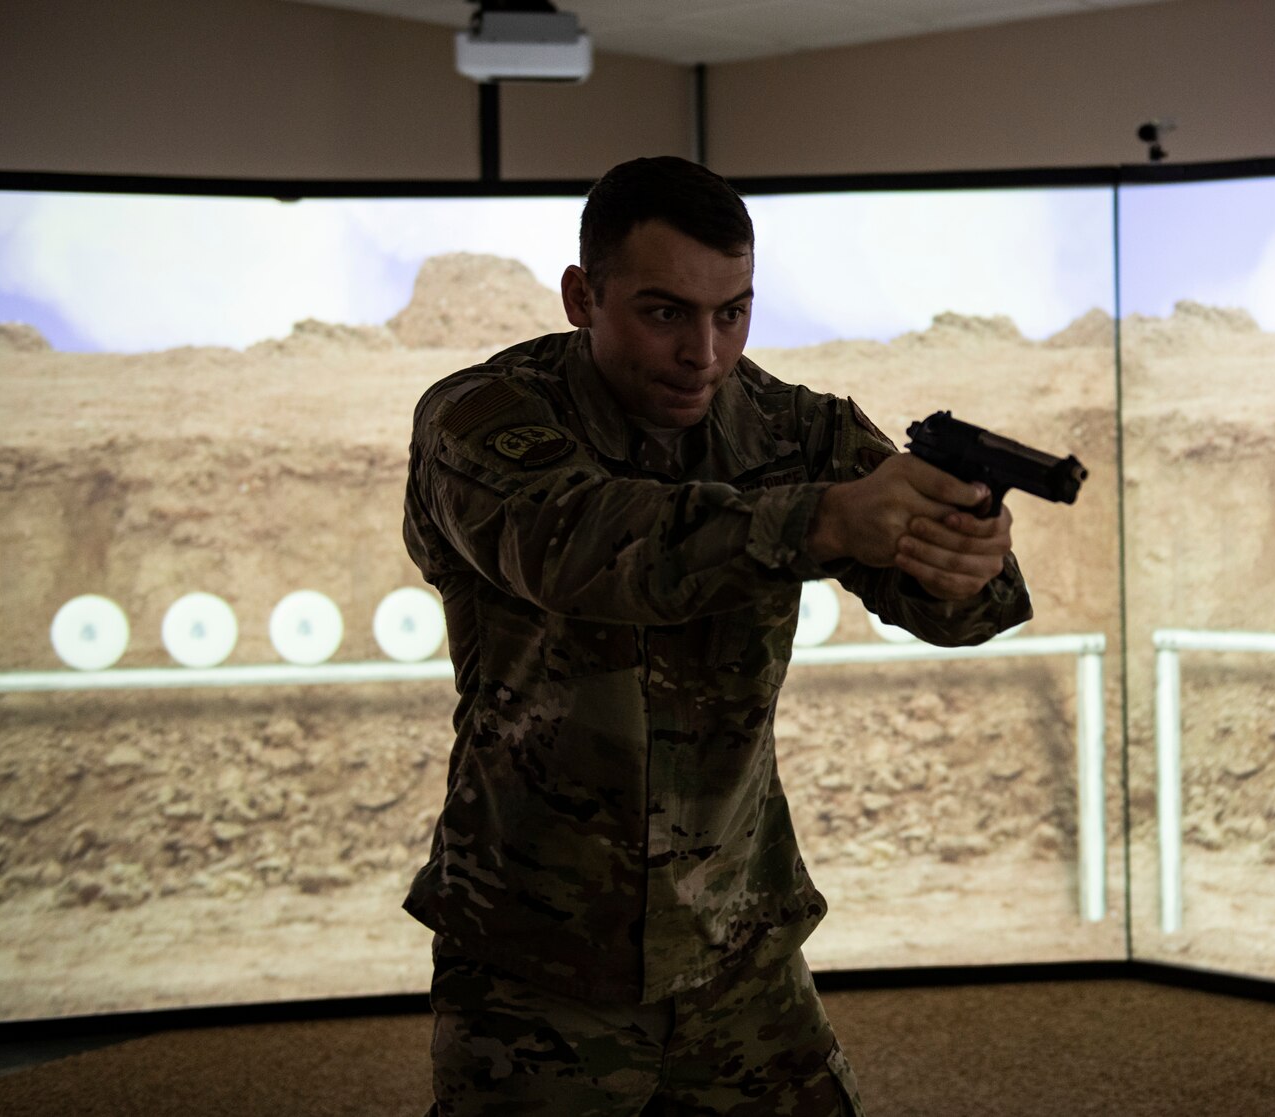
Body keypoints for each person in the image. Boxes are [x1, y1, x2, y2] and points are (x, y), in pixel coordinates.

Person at [401, 155, 1031, 1116]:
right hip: (539, 952)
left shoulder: (792, 427)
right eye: (665, 313)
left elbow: (957, 613)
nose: (705, 350)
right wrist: (816, 522)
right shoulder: (482, 420)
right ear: (583, 297)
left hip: (736, 940)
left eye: (732, 311)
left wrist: (967, 550)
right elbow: (584, 545)